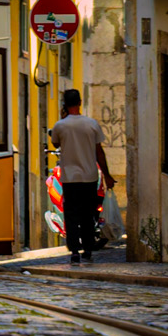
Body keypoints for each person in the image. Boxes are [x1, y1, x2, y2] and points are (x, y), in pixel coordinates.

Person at [48, 86, 113, 264]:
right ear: (80, 103)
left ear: (64, 105)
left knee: (71, 215)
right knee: (87, 214)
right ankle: (88, 250)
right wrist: (106, 175)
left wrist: (62, 119)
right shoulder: (92, 124)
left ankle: (74, 251)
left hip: (70, 178)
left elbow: (55, 143)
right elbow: (99, 152)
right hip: (90, 176)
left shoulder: (60, 126)